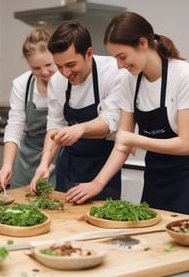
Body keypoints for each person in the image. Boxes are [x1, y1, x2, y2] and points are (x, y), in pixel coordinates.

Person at [65, 11, 189, 215]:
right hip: (155, 176)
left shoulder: (185, 76)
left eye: (122, 56)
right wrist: (96, 184)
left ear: (143, 43)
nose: (119, 65)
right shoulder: (129, 81)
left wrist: (133, 139)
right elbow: (122, 144)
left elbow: (185, 145)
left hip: (188, 177)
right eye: (115, 58)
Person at [30, 20, 124, 201]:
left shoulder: (112, 72)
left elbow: (112, 120)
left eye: (71, 65)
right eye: (59, 66)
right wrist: (44, 164)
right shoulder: (57, 81)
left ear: (89, 53)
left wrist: (80, 129)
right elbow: (55, 123)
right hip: (70, 163)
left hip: (103, 165)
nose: (65, 73)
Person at [0, 28, 57, 190]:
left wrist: (46, 163)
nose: (44, 72)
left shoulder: (68, 83)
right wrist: (7, 166)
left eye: (49, 65)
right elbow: (14, 126)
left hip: (56, 158)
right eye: (35, 68)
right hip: (26, 161)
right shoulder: (22, 84)